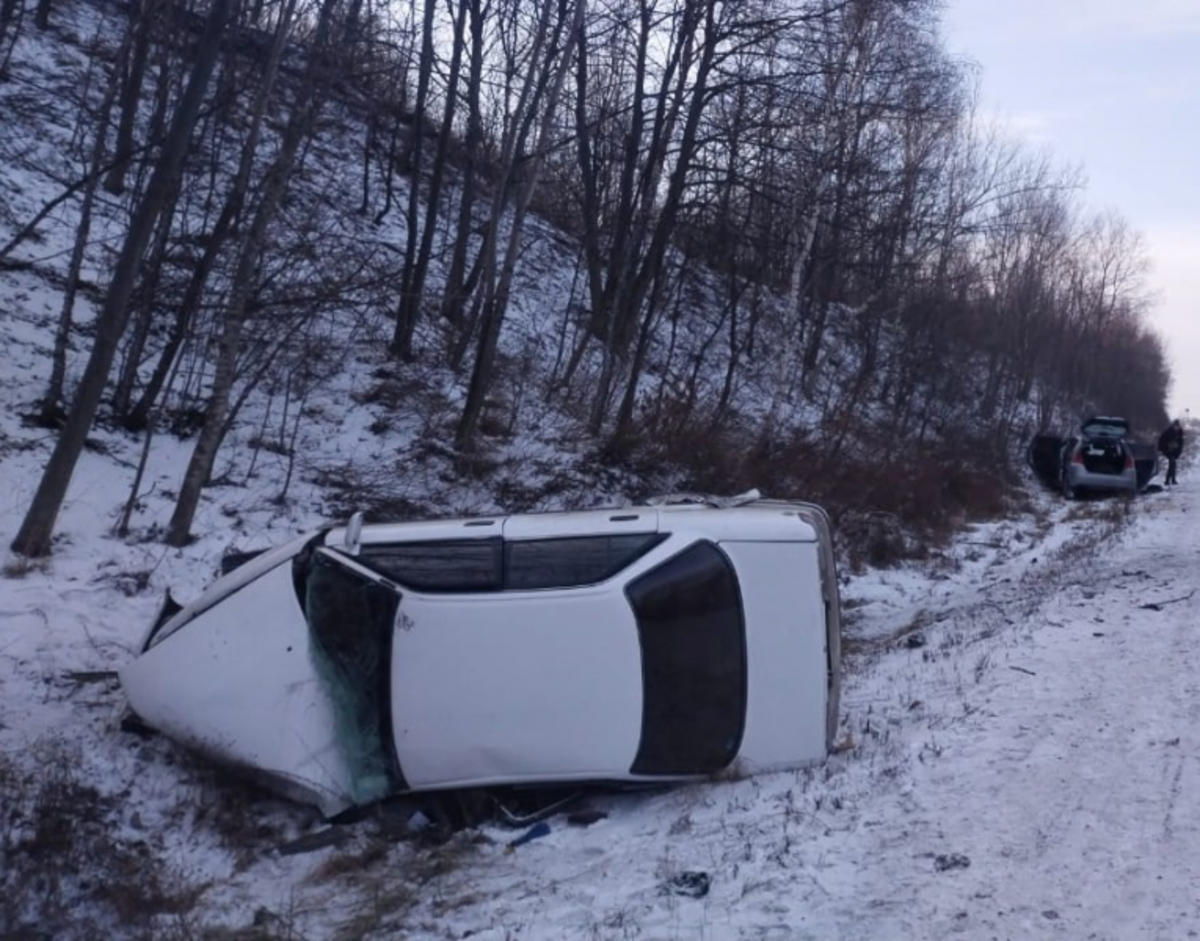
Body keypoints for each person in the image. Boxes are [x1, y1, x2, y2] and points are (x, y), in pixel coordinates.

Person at [1158, 418, 1184, 486]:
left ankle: (1170, 480)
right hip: (1168, 451)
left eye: (1177, 426)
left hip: (1175, 451)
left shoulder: (1180, 433)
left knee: (1173, 464)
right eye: (1175, 426)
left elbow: (1181, 444)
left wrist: (1178, 452)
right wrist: (1164, 449)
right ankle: (1169, 480)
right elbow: (1161, 440)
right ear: (1173, 426)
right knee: (1172, 463)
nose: (1176, 428)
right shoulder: (1168, 432)